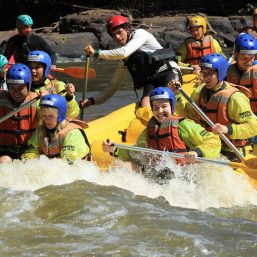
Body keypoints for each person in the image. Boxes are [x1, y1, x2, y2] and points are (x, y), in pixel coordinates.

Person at [102, 87, 221, 169]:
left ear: (172, 107)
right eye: (156, 107)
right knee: (120, 165)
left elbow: (213, 141)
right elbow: (136, 152)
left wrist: (197, 152)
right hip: (159, 174)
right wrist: (114, 149)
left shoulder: (184, 125)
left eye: (164, 106)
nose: (160, 111)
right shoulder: (148, 131)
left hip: (185, 175)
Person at [169, 53, 257, 161]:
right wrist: (177, 95)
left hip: (231, 150)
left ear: (220, 73)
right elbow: (187, 114)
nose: (204, 77)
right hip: (208, 146)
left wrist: (227, 129)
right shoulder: (200, 91)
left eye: (209, 73)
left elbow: (253, 127)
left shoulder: (235, 98)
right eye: (203, 72)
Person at [81, 15, 182, 108]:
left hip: (168, 71)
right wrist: (92, 101)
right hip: (152, 80)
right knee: (145, 103)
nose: (117, 37)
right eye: (113, 35)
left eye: (119, 32)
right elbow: (113, 85)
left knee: (165, 98)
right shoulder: (124, 59)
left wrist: (96, 52)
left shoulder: (140, 34)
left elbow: (124, 52)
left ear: (127, 28)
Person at [22, 94, 91, 163]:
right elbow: (31, 151)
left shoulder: (73, 133)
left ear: (60, 115)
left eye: (50, 116)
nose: (46, 119)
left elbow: (70, 159)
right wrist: (29, 162)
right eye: (44, 115)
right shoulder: (40, 131)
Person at [0, 63, 39, 163]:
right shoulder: (1, 99)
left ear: (28, 85)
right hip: (4, 153)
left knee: (29, 162)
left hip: (29, 152)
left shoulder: (37, 101)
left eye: (20, 88)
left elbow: (63, 113)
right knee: (4, 161)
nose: (16, 92)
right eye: (12, 88)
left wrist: (69, 97)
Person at [27, 50, 79, 119]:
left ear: (46, 69)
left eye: (37, 67)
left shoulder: (57, 86)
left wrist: (69, 97)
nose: (33, 71)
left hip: (49, 127)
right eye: (30, 67)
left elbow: (72, 114)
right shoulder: (22, 87)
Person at [226, 33, 257, 147]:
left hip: (254, 118)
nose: (248, 62)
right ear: (236, 55)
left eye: (251, 58)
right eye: (244, 57)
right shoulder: (229, 70)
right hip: (238, 115)